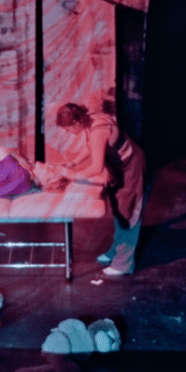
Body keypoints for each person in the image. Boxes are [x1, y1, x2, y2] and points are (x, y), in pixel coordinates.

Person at [54, 102, 146, 275]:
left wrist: (72, 175)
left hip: (132, 167)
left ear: (76, 122)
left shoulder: (98, 130)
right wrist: (74, 163)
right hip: (118, 167)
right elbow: (91, 147)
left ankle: (123, 264)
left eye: (68, 129)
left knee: (128, 213)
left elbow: (96, 167)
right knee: (118, 210)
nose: (68, 132)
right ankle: (115, 251)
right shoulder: (89, 120)